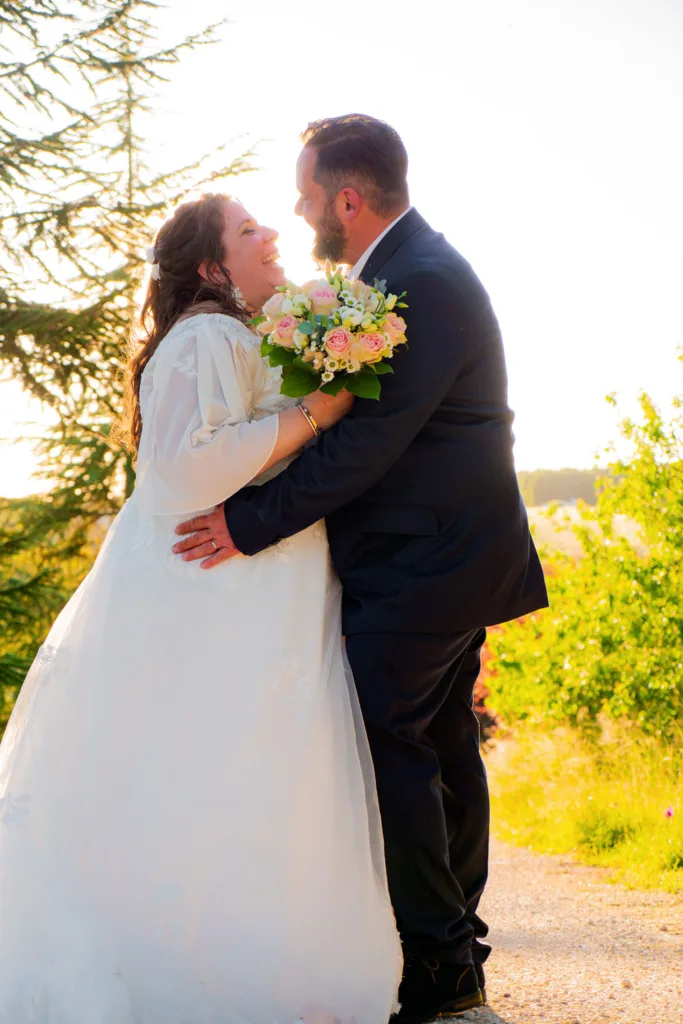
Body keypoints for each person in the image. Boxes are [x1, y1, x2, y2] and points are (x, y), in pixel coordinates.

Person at [174, 115, 549, 1023]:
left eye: (305, 196)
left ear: (346, 198)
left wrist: (246, 522)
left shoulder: (418, 281)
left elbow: (367, 444)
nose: (299, 214)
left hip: (424, 562)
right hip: (438, 554)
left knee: (398, 751)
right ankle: (454, 952)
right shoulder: (402, 272)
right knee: (442, 747)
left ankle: (441, 969)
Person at [0, 192, 402, 1023]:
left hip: (258, 589)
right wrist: (315, 412)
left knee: (245, 772)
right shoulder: (207, 335)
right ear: (213, 268)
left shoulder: (235, 334)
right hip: (220, 594)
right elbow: (189, 468)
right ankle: (208, 979)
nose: (272, 234)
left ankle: (258, 972)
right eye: (249, 230)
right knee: (219, 769)